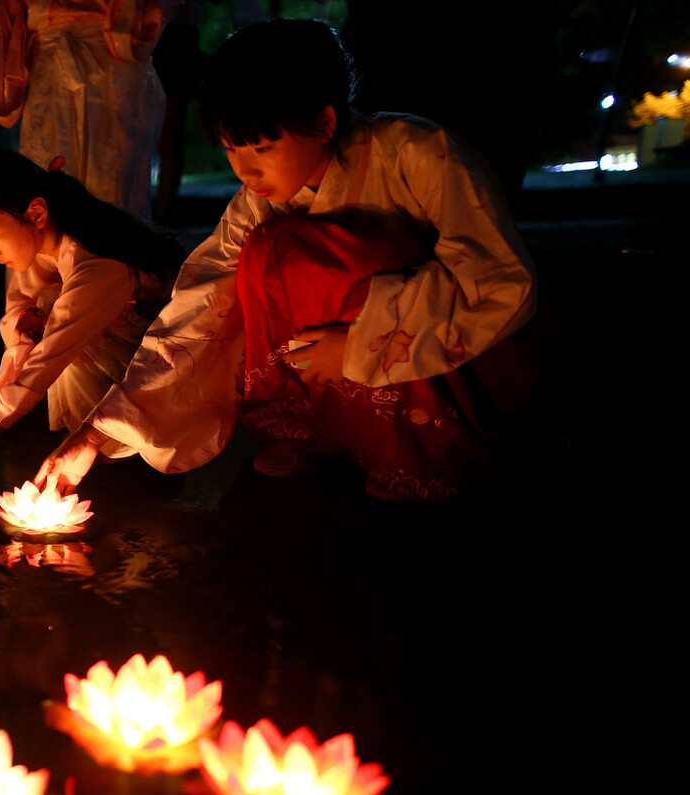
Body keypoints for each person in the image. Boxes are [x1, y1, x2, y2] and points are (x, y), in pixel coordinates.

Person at [35, 18, 539, 502]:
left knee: (311, 255)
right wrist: (96, 432)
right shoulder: (259, 202)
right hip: (334, 358)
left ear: (324, 121)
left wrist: (358, 344)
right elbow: (197, 309)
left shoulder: (420, 154)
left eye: (260, 145)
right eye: (232, 149)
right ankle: (314, 428)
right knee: (247, 266)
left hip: (441, 372)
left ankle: (412, 450)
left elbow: (497, 284)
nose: (245, 169)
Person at [0, 152, 183, 485]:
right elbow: (18, 307)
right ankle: (92, 432)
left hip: (169, 355)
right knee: (44, 307)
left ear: (36, 212)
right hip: (115, 325)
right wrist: (26, 325)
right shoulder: (47, 244)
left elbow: (47, 359)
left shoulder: (95, 265)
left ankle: (120, 438)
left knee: (57, 315)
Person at [0, 0, 180, 219]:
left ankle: (114, 250)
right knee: (45, 186)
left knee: (112, 191)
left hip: (114, 59)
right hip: (48, 63)